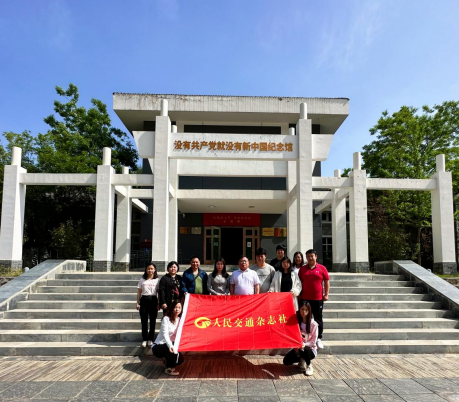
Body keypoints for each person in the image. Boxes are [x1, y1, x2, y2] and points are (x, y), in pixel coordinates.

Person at [298, 249, 330, 350]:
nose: (310, 258)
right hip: (305, 298)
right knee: (305, 318)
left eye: (312, 256)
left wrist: (326, 294)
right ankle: (305, 337)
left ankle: (318, 338)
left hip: (318, 298)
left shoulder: (322, 268)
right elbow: (299, 283)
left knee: (318, 318)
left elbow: (326, 281)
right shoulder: (302, 269)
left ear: (316, 256)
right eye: (308, 256)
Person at [283, 301, 318, 375]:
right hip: (298, 348)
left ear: (309, 311)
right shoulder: (297, 322)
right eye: (302, 309)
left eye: (306, 310)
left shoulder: (313, 324)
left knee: (304, 349)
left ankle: (309, 365)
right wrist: (295, 346)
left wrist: (304, 344)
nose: (304, 312)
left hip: (310, 350)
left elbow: (313, 342)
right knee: (286, 361)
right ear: (299, 310)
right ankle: (302, 360)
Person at [152, 300, 184, 376]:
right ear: (172, 308)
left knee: (180, 360)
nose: (177, 309)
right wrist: (170, 346)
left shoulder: (180, 320)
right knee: (172, 348)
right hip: (159, 346)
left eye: (179, 307)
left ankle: (166, 360)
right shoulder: (166, 319)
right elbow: (165, 334)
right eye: (175, 307)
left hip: (172, 345)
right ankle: (169, 368)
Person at [136, 263, 160, 348]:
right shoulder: (142, 280)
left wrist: (158, 303)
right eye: (148, 269)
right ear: (146, 270)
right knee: (144, 320)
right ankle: (145, 339)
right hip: (144, 300)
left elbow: (158, 293)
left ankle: (150, 339)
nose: (150, 270)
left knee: (153, 320)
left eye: (152, 269)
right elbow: (139, 292)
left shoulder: (157, 280)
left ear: (154, 270)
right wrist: (137, 302)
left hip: (153, 300)